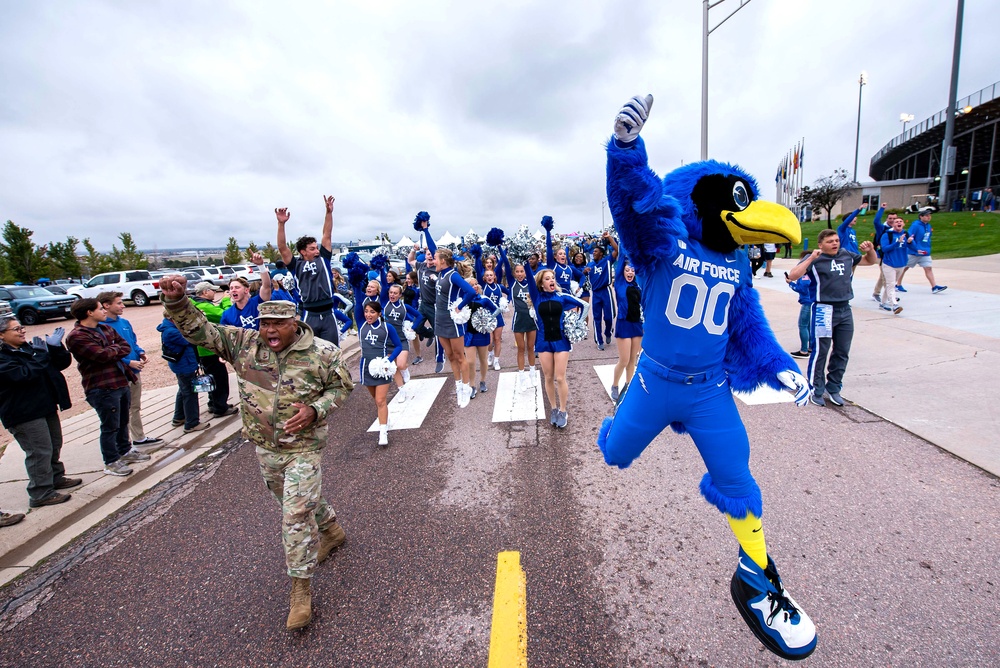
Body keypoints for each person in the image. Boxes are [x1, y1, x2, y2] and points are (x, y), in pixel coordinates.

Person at [600, 94, 816, 661]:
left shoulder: (736, 263)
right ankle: (613, 421)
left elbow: (748, 325)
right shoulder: (662, 245)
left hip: (708, 393)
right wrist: (626, 151)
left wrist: (783, 369)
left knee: (739, 478)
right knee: (615, 455)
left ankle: (757, 577)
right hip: (653, 381)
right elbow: (632, 208)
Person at [158, 275, 354, 631]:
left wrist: (316, 410)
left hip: (304, 447)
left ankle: (300, 590)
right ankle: (332, 530)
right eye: (265, 324)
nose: (270, 331)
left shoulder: (323, 352)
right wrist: (177, 304)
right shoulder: (244, 344)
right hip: (265, 447)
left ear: (295, 323)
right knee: (295, 500)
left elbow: (342, 387)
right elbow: (201, 332)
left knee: (294, 513)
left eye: (279, 323)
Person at [787, 229, 879, 406]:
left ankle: (834, 387)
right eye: (830, 241)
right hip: (824, 309)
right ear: (821, 244)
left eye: (836, 240)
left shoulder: (846, 255)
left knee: (842, 351)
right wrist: (811, 258)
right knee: (821, 351)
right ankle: (816, 388)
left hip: (845, 308)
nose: (835, 243)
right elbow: (793, 275)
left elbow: (870, 261)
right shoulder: (815, 259)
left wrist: (870, 250)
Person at [0, 318, 81, 509]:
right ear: (1, 335)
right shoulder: (3, 357)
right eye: (16, 329)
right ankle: (40, 493)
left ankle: (55, 477)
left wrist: (55, 348)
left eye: (22, 327)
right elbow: (24, 375)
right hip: (23, 412)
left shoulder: (28, 349)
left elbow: (57, 365)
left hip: (44, 405)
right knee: (39, 451)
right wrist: (41, 355)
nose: (21, 332)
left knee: (53, 444)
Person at [65, 298, 151, 477]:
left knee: (122, 421)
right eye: (99, 309)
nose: (104, 311)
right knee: (110, 425)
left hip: (120, 380)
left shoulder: (105, 328)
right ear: (89, 312)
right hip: (102, 386)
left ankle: (125, 451)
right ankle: (111, 461)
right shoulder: (77, 336)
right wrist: (114, 350)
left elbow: (125, 346)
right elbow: (101, 355)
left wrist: (113, 350)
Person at [523, 262, 590, 428]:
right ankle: (553, 408)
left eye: (553, 278)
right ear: (541, 283)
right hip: (543, 342)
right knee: (548, 377)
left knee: (560, 377)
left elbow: (585, 305)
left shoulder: (562, 297)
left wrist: (578, 323)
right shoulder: (537, 296)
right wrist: (525, 262)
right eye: (547, 279)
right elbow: (530, 278)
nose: (551, 280)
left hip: (561, 341)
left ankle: (563, 410)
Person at [98, 291, 163, 451]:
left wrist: (140, 352)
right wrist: (128, 362)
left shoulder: (124, 322)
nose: (123, 306)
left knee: (135, 406)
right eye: (119, 303)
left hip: (134, 372)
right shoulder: (101, 327)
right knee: (119, 411)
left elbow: (132, 341)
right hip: (118, 374)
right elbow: (105, 353)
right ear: (107, 305)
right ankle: (121, 444)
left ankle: (138, 437)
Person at [276, 197, 343, 347]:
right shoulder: (295, 265)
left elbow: (327, 234)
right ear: (303, 252)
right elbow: (282, 247)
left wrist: (329, 212)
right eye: (312, 249)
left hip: (328, 314)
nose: (317, 251)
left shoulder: (323, 259)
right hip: (309, 315)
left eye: (316, 247)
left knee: (332, 352)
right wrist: (281, 224)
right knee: (309, 353)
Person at [433, 248, 479, 408]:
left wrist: (459, 306)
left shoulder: (453, 275)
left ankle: (467, 388)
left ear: (443, 261)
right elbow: (434, 249)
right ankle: (459, 385)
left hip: (452, 321)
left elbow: (470, 292)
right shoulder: (440, 273)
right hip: (439, 319)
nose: (433, 261)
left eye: (435, 259)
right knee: (450, 355)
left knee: (460, 356)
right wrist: (425, 230)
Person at [190, 283, 238, 418]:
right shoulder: (204, 306)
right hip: (210, 350)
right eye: (212, 291)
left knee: (211, 378)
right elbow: (225, 315)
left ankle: (214, 403)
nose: (214, 293)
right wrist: (226, 300)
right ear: (205, 292)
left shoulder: (197, 304)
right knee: (219, 378)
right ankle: (220, 407)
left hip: (202, 349)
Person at [357, 301, 401, 446]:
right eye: (366, 311)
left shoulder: (386, 327)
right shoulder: (361, 324)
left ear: (379, 313)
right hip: (366, 368)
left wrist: (388, 360)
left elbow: (398, 346)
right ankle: (385, 421)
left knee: (381, 400)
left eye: (372, 312)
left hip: (382, 368)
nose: (368, 315)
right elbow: (358, 298)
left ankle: (383, 433)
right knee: (376, 400)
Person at [157, 316, 211, 433]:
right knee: (190, 394)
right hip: (185, 365)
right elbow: (191, 339)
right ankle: (192, 423)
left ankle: (179, 417)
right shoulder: (172, 332)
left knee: (183, 390)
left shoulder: (169, 328)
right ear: (172, 317)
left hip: (183, 364)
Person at [501, 247, 539, 392]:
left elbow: (529, 269)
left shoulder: (531, 281)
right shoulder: (511, 283)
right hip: (518, 319)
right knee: (521, 349)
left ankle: (532, 373)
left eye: (522, 271)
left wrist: (526, 258)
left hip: (531, 319)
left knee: (531, 347)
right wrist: (500, 247)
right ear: (513, 273)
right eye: (517, 271)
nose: (520, 274)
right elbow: (505, 260)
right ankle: (522, 376)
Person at [382, 283, 424, 402]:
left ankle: (405, 370)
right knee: (393, 367)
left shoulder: (405, 307)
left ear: (400, 295)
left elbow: (419, 316)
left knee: (400, 364)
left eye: (395, 293)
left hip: (401, 340)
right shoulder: (384, 304)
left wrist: (413, 328)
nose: (392, 295)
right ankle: (401, 390)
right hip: (387, 341)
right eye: (391, 292)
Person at [609, 254, 642, 401]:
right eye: (627, 270)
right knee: (623, 360)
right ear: (623, 271)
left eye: (632, 270)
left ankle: (628, 386)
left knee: (632, 360)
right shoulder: (620, 283)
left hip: (637, 324)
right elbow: (621, 258)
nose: (630, 273)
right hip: (624, 323)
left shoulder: (638, 285)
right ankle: (615, 385)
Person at [462, 277, 501, 398]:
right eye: (471, 285)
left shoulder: (484, 299)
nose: (475, 287)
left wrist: (488, 320)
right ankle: (472, 385)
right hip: (468, 334)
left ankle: (483, 380)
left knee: (483, 360)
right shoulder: (462, 300)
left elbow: (497, 310)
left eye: (476, 284)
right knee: (470, 361)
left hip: (482, 334)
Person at [900, 209, 947, 294]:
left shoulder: (928, 226)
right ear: (921, 217)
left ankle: (934, 287)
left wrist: (927, 248)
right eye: (926, 215)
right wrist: (915, 248)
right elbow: (910, 237)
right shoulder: (915, 225)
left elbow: (927, 238)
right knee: (904, 268)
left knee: (928, 268)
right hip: (913, 252)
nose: (929, 217)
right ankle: (898, 284)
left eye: (930, 215)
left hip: (925, 252)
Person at [220, 253, 272, 330]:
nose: (233, 290)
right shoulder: (227, 314)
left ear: (246, 290)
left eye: (237, 287)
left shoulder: (257, 303)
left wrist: (261, 266)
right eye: (231, 288)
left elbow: (266, 287)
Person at [588, 233, 618, 350]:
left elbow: (616, 249)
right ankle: (599, 340)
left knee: (609, 317)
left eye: (595, 251)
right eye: (593, 252)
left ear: (601, 253)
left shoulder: (607, 260)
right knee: (596, 318)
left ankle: (608, 332)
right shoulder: (590, 265)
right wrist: (584, 272)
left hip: (606, 291)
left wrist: (609, 237)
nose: (593, 253)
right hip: (595, 293)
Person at [785, 256, 814, 357]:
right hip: (811, 302)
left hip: (807, 302)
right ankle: (811, 346)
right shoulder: (811, 274)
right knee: (808, 325)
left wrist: (790, 283)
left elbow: (801, 289)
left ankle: (804, 350)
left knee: (803, 326)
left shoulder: (805, 276)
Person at [878, 217, 908, 315]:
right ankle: (895, 305)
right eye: (896, 222)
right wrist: (897, 242)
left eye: (900, 221)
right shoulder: (887, 235)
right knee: (891, 284)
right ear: (893, 225)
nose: (899, 223)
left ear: (903, 224)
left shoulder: (906, 235)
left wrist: (914, 246)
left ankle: (883, 303)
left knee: (891, 284)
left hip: (901, 263)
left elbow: (912, 246)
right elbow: (885, 249)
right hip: (889, 263)